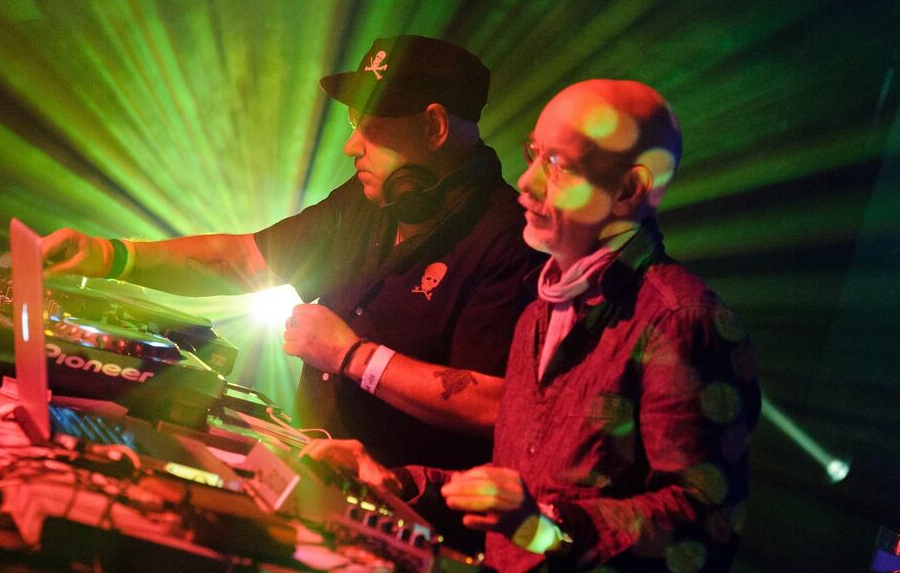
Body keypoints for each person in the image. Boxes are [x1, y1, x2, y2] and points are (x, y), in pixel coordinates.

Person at [304, 79, 761, 571]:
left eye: (557, 166)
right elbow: (517, 484)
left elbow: (704, 523)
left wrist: (545, 528)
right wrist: (400, 483)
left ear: (629, 190)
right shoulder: (539, 314)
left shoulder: (682, 321)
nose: (527, 182)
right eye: (533, 154)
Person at [40, 35, 544, 473]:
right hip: (314, 466)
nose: (352, 148)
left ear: (433, 128)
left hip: (407, 505)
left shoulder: (509, 239)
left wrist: (354, 357)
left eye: (369, 127)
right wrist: (107, 257)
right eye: (351, 126)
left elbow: (492, 402)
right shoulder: (371, 199)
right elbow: (242, 261)